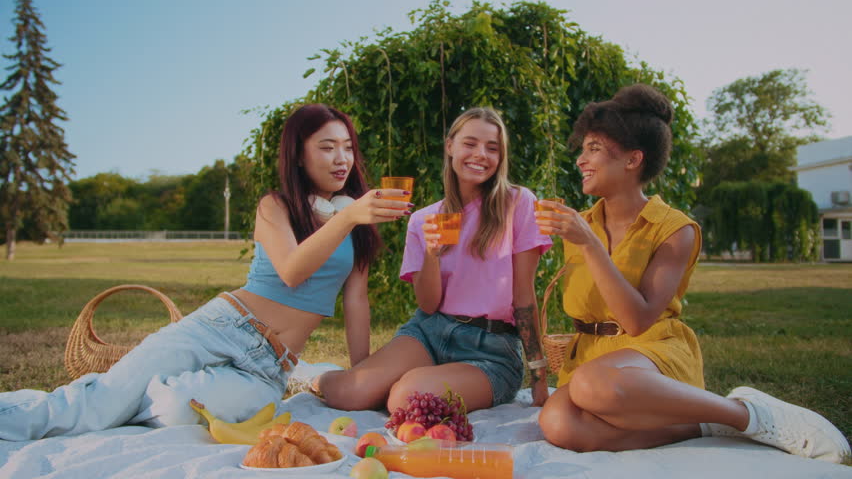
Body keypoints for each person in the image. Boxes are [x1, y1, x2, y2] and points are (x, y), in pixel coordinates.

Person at [0, 104, 411, 441]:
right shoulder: (276, 206)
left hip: (269, 366)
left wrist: (362, 379)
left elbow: (357, 303)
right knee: (94, 406)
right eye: (326, 147)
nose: (341, 159)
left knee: (178, 406)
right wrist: (350, 217)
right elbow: (291, 271)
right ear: (299, 156)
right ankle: (102, 399)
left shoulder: (357, 222)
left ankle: (126, 395)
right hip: (221, 325)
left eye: (347, 147)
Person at [534, 84, 850, 463]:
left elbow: (636, 320)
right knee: (557, 424)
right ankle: (702, 424)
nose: (581, 160)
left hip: (650, 349)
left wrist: (591, 245)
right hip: (591, 357)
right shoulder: (580, 225)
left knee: (592, 385)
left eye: (594, 149)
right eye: (583, 149)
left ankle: (746, 414)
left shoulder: (674, 229)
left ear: (633, 160)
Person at [316, 107, 553, 416]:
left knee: (407, 398)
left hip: (491, 351)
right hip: (430, 332)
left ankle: (402, 383)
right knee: (349, 394)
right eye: (470, 144)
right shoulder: (423, 220)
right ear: (450, 146)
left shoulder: (519, 203)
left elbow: (524, 297)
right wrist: (431, 254)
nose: (480, 154)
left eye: (492, 148)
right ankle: (315, 378)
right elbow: (428, 305)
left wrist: (538, 374)